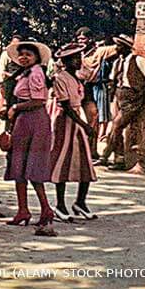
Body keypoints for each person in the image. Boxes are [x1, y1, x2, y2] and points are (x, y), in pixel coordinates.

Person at [2, 40, 55, 232]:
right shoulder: (24, 73)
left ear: (36, 58)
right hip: (24, 120)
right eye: (21, 54)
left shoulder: (36, 73)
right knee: (20, 165)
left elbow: (39, 100)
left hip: (33, 120)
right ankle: (23, 209)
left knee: (30, 166)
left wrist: (16, 107)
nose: (24, 58)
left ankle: (44, 209)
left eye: (28, 55)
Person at [49, 43, 98, 222]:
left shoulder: (77, 78)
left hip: (78, 118)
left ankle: (80, 202)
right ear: (66, 61)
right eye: (74, 58)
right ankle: (60, 205)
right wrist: (84, 125)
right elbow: (67, 106)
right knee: (62, 160)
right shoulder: (60, 78)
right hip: (67, 121)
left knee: (85, 162)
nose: (79, 61)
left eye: (80, 57)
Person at [98, 35, 145, 169]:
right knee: (116, 128)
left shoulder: (138, 60)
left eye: (119, 46)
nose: (117, 48)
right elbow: (112, 79)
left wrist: (138, 95)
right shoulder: (117, 62)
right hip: (119, 96)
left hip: (132, 98)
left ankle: (105, 156)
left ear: (126, 47)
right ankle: (119, 159)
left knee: (116, 125)